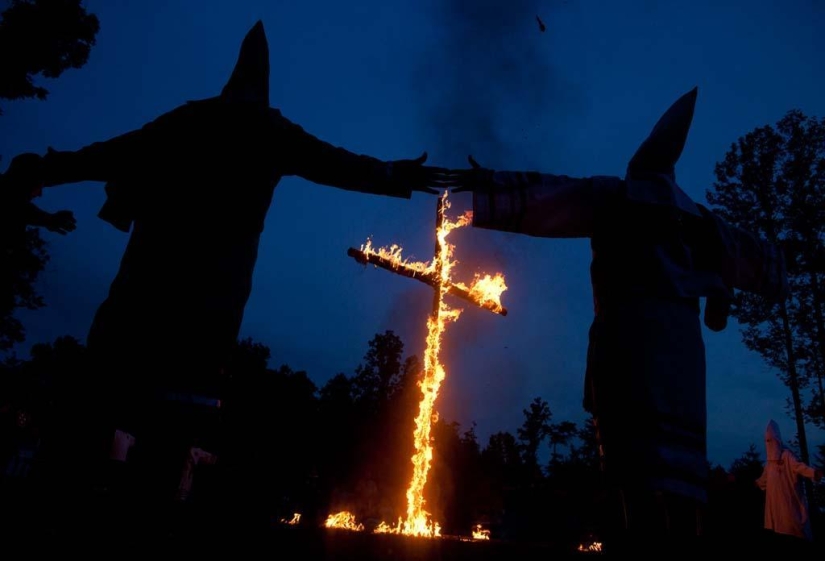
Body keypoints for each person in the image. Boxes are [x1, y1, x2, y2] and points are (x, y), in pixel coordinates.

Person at [3, 20, 449, 541]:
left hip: (149, 285)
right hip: (209, 300)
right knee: (161, 422)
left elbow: (108, 153)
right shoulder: (268, 131)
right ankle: (122, 513)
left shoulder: (191, 121)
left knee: (103, 402)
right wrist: (394, 174)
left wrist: (44, 167)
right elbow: (339, 165)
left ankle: (50, 510)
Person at [437, 87, 789, 552]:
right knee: (680, 477)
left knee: (634, 472)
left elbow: (551, 196)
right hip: (682, 363)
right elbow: (768, 266)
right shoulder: (704, 224)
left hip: (629, 350)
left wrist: (485, 187)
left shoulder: (617, 198)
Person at [756, 419, 823, 548]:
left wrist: (813, 473)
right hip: (775, 510)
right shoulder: (769, 464)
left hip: (788, 508)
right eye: (767, 441)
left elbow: (799, 467)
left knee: (790, 530)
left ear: (777, 440)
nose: (770, 444)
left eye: (771, 440)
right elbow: (763, 480)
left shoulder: (787, 455)